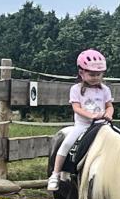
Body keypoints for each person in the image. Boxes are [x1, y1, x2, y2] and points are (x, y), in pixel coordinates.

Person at [47, 49, 114, 191]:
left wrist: (109, 114)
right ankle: (55, 174)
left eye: (98, 74)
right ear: (81, 72)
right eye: (92, 74)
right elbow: (76, 108)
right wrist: (92, 116)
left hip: (102, 125)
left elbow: (109, 106)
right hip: (82, 125)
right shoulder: (76, 89)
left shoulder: (105, 90)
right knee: (66, 145)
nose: (95, 77)